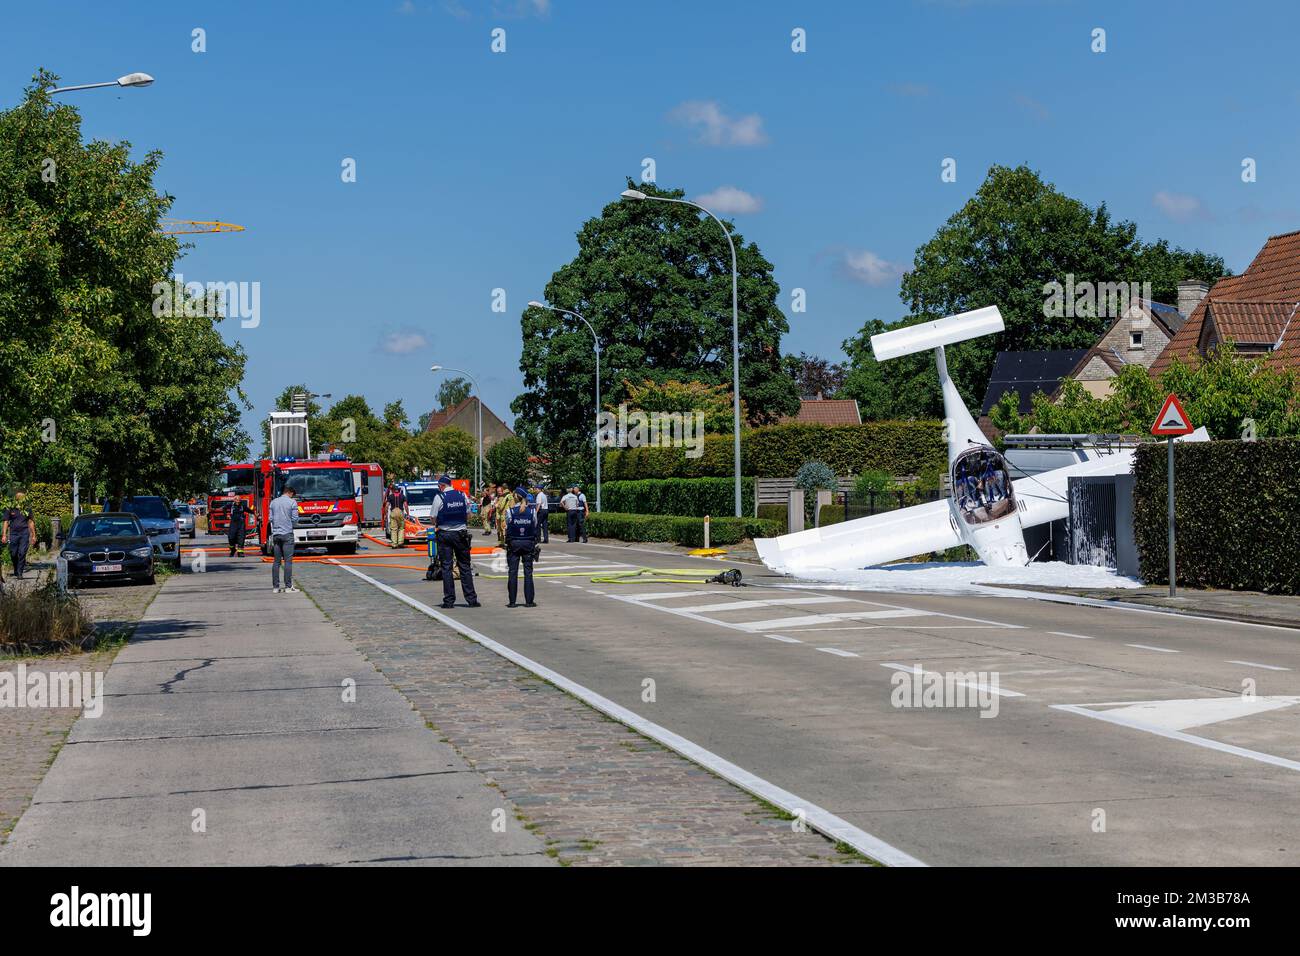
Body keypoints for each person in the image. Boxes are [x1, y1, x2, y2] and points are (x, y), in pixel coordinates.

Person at [431, 474, 479, 609]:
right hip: (461, 534)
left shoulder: (439, 497)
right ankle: (472, 600)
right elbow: (469, 514)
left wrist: (439, 524)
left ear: (441, 485)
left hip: (445, 534)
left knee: (446, 567)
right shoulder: (462, 495)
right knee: (464, 566)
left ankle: (449, 601)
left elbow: (433, 517)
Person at [504, 486, 539, 607]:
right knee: (528, 573)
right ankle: (529, 601)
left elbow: (507, 526)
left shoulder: (511, 511)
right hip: (528, 544)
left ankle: (512, 602)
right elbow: (534, 525)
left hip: (514, 544)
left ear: (516, 497)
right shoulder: (532, 511)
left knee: (512, 572)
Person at [269, 483, 299, 593]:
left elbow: (271, 518)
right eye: (292, 495)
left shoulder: (273, 502)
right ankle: (288, 587)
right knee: (288, 561)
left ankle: (276, 587)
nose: (293, 497)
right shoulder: (292, 502)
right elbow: (295, 519)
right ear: (289, 493)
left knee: (276, 562)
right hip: (287, 534)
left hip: (276, 535)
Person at [2, 490, 33, 580]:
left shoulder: (27, 508)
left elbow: (31, 522)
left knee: (22, 553)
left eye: (22, 498)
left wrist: (34, 535)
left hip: (24, 533)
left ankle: (20, 572)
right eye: (19, 498)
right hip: (13, 533)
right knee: (13, 553)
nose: (20, 499)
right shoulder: (10, 508)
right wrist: (4, 535)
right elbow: (6, 521)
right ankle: (16, 568)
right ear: (16, 499)